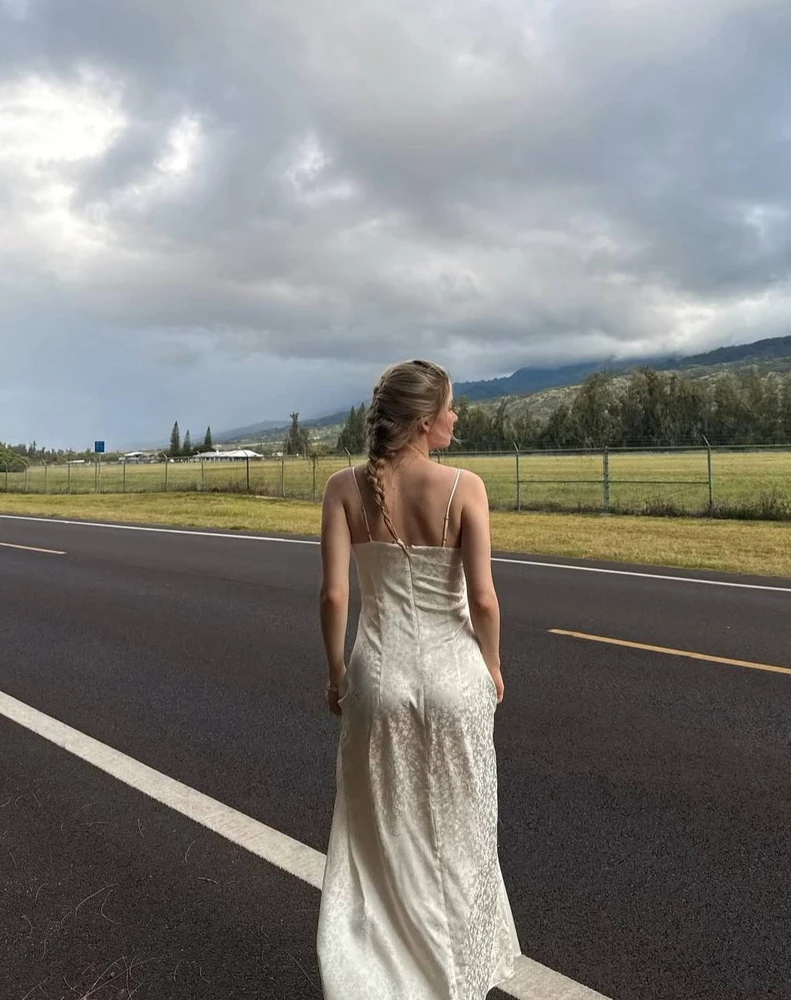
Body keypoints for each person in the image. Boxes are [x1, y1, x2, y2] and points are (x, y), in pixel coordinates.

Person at [316, 359, 520, 999]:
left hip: (378, 678)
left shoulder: (342, 488)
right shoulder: (465, 487)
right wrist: (492, 664)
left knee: (381, 841)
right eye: (450, 407)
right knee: (461, 836)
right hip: (455, 678)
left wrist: (336, 674)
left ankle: (384, 980)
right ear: (425, 421)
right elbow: (483, 599)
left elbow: (333, 596)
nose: (456, 417)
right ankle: (457, 978)